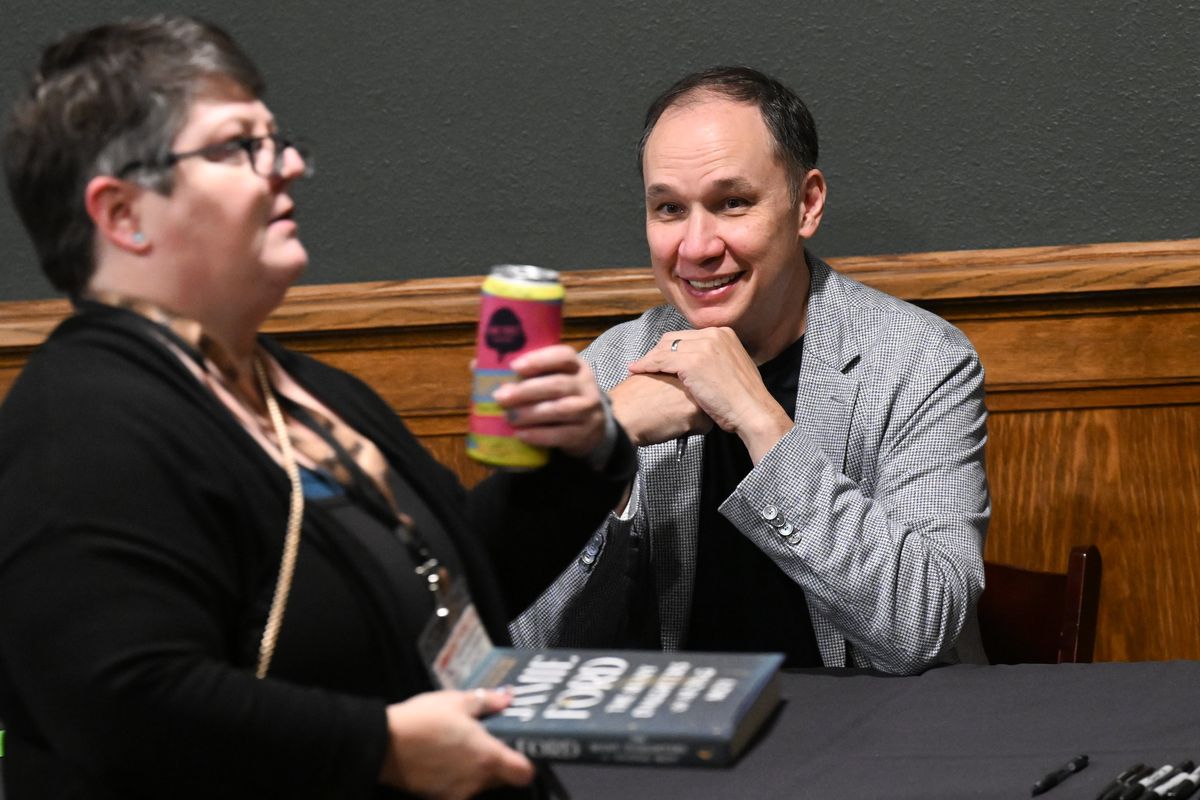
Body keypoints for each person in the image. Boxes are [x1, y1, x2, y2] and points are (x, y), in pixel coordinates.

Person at [0, 16, 633, 799]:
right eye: (240, 148)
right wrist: (380, 747)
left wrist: (581, 456)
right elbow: (120, 704)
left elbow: (446, 587)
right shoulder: (77, 423)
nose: (291, 165)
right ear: (122, 213)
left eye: (279, 139)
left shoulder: (305, 387)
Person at [512, 66, 990, 675]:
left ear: (806, 204)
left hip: (881, 743)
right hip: (680, 748)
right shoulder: (607, 369)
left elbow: (921, 628)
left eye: (732, 203)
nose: (697, 246)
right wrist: (604, 454)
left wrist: (760, 420)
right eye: (668, 209)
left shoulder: (920, 360)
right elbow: (532, 650)